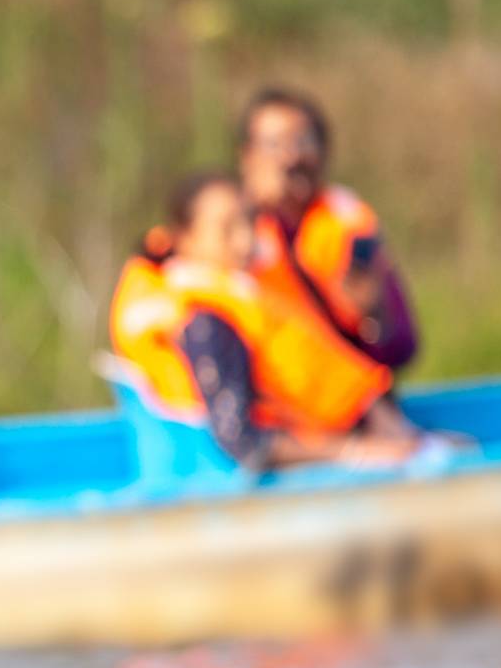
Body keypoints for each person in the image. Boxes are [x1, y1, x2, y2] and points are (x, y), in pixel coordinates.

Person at [108, 173, 426, 472]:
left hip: (349, 436)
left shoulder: (249, 292)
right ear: (184, 240)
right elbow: (245, 444)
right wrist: (354, 452)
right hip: (241, 480)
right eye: (227, 229)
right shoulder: (205, 323)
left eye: (250, 222)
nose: (246, 242)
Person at [238, 87, 419, 370]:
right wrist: (250, 209)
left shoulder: (348, 224)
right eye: (273, 144)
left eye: (303, 141)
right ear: (247, 157)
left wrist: (374, 314)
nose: (291, 158)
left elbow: (403, 349)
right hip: (269, 401)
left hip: (347, 399)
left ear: (324, 151)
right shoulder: (227, 226)